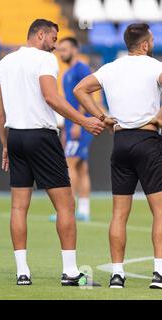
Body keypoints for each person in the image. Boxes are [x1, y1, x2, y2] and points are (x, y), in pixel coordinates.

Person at [0, 19, 111, 286]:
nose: (56, 44)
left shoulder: (5, 62)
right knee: (65, 205)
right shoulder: (45, 60)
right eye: (54, 38)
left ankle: (22, 272)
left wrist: (4, 144)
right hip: (41, 136)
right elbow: (51, 96)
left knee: (18, 207)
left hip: (15, 137)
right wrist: (84, 121)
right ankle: (70, 272)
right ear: (41, 35)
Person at [74, 23, 162, 290]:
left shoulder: (111, 68)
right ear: (145, 44)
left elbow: (80, 90)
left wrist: (101, 117)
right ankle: (159, 274)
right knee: (159, 211)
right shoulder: (154, 66)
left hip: (121, 141)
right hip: (148, 140)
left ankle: (117, 275)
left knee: (119, 214)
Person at [49, 37, 94, 222]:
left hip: (80, 124)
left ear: (75, 49)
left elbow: (88, 93)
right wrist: (67, 128)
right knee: (82, 167)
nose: (61, 53)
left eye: (65, 49)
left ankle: (69, 208)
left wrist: (78, 122)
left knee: (69, 163)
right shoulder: (67, 73)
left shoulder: (81, 68)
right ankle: (84, 210)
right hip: (73, 125)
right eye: (59, 50)